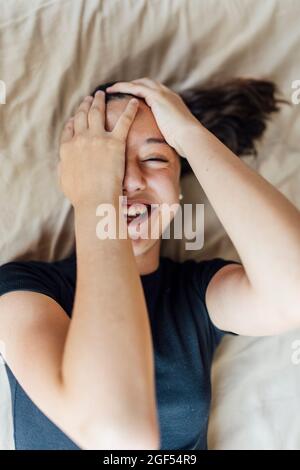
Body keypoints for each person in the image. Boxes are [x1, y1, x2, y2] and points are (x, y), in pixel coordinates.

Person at [0, 77, 300, 450]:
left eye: (156, 158)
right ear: (74, 179)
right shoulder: (25, 289)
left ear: (178, 186)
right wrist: (97, 197)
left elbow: (294, 291)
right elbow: (117, 432)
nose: (129, 180)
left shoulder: (194, 294)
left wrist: (190, 134)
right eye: (106, 161)